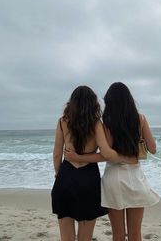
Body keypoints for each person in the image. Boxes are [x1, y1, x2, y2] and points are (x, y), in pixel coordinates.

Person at [65, 82, 159, 241]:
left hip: (113, 179)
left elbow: (105, 155)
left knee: (118, 234)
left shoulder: (106, 123)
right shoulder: (140, 119)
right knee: (136, 234)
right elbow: (153, 148)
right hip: (135, 178)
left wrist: (79, 157)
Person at [51, 85, 136, 241]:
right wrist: (127, 158)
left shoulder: (62, 121)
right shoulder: (96, 123)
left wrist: (58, 173)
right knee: (85, 236)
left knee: (66, 236)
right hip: (88, 179)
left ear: (72, 102)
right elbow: (105, 154)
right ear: (93, 103)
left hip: (66, 176)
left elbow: (57, 154)